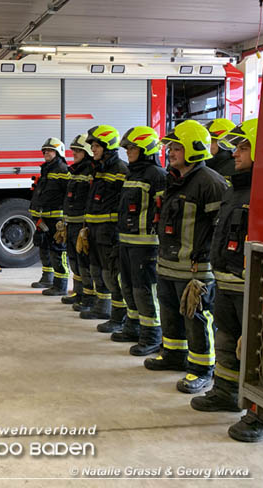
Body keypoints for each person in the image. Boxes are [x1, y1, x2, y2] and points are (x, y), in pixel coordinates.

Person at [190, 118, 263, 442]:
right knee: (226, 341)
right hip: (227, 282)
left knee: (259, 355)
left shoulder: (261, 191)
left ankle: (259, 414)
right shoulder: (235, 188)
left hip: (254, 289)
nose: (235, 152)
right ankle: (224, 391)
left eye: (243, 146)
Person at [144, 120, 227, 394]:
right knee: (169, 312)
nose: (171, 152)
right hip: (169, 264)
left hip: (195, 270)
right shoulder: (174, 178)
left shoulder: (210, 183)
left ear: (194, 149)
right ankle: (173, 355)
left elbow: (220, 229)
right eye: (171, 148)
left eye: (177, 148)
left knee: (197, 319)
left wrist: (206, 263)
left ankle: (201, 369)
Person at [114, 126, 166, 356]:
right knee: (128, 287)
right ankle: (133, 327)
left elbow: (163, 212)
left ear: (146, 148)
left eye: (132, 148)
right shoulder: (132, 173)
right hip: (127, 242)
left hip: (146, 245)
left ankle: (151, 336)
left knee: (144, 291)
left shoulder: (157, 175)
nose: (128, 152)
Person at [80, 125, 129, 333]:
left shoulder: (121, 170)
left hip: (110, 234)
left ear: (108, 146)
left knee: (112, 277)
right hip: (94, 231)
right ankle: (102, 308)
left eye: (96, 145)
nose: (93, 149)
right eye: (92, 145)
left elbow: (124, 206)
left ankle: (118, 317)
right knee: (96, 272)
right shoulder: (97, 168)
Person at [29, 137, 70, 295]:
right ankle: (47, 278)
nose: (46, 152)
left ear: (58, 152)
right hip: (44, 217)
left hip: (56, 219)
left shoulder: (62, 170)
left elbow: (68, 195)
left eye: (50, 150)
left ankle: (61, 286)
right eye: (45, 150)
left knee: (58, 250)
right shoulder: (47, 169)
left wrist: (65, 220)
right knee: (44, 247)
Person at [60, 134, 96, 310]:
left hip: (82, 224)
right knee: (74, 261)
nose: (73, 152)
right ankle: (78, 293)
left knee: (84, 261)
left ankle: (89, 298)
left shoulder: (90, 171)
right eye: (73, 149)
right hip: (72, 223)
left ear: (87, 152)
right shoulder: (76, 170)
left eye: (78, 150)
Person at [204, 118, 237, 182]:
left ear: (225, 143)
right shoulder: (215, 164)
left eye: (210, 141)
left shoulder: (230, 170)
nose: (206, 146)